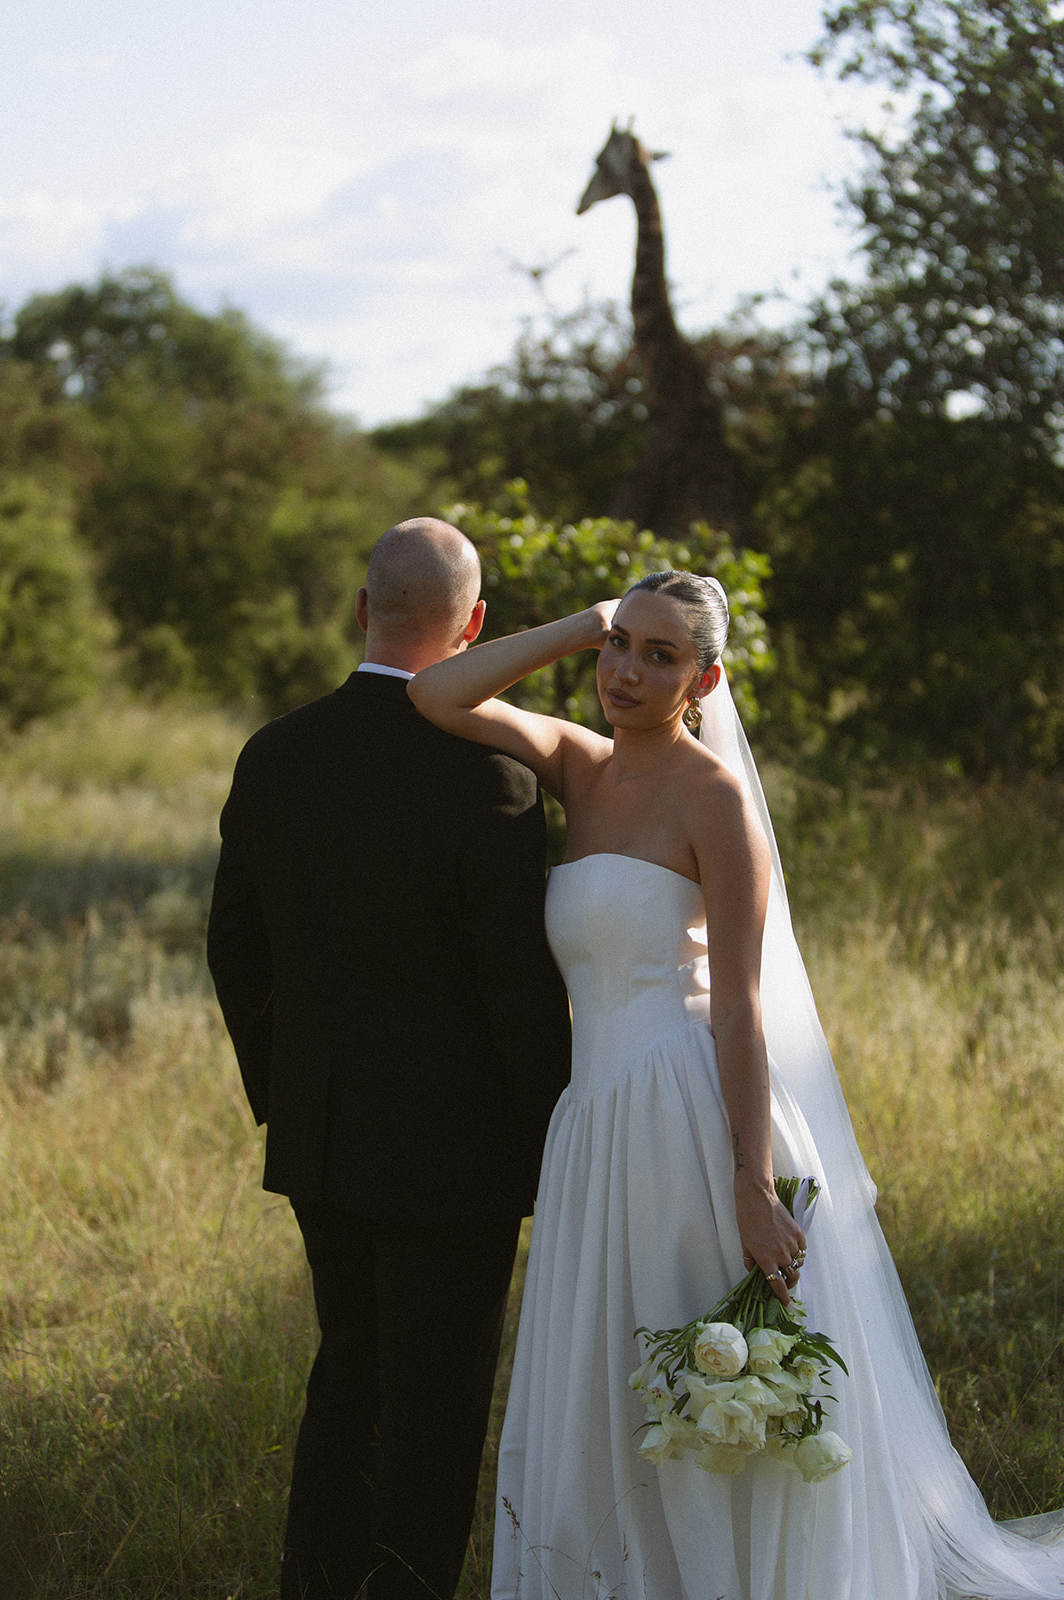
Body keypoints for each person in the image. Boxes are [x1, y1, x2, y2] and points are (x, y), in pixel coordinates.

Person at [408, 569, 1064, 1600]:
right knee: (617, 1382)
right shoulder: (579, 766)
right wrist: (580, 622)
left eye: (658, 656)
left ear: (703, 679)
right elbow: (436, 694)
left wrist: (750, 1187)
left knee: (705, 1381)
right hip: (593, 1124)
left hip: (686, 1115)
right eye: (620, 644)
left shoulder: (712, 801)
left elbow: (741, 1010)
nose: (625, 669)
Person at [206, 518, 572, 1600]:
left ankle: (313, 1585)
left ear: (362, 609)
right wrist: (555, 1145)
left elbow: (236, 947)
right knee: (437, 1395)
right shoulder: (494, 772)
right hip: (459, 1157)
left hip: (321, 1134)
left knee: (349, 1366)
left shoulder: (275, 751)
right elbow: (517, 991)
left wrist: (288, 1094)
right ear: (472, 627)